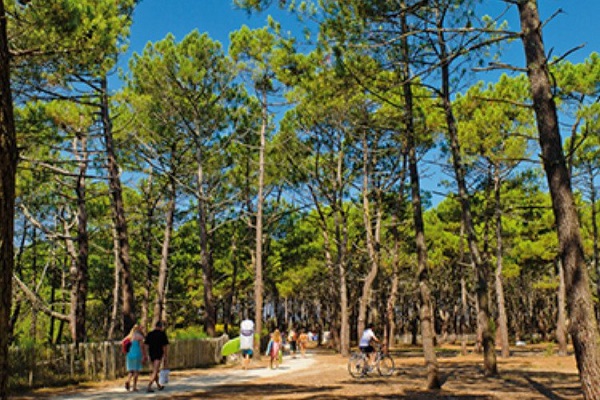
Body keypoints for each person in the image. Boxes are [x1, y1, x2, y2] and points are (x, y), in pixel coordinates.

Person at [145, 320, 169, 393]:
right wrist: (165, 355)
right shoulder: (162, 334)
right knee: (155, 371)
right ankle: (149, 386)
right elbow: (164, 346)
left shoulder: (150, 334)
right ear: (161, 327)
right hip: (158, 353)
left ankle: (158, 385)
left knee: (154, 370)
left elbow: (146, 345)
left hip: (151, 353)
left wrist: (146, 354)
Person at [124, 324, 147, 392]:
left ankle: (128, 380)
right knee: (136, 371)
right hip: (137, 354)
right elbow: (142, 347)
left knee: (131, 370)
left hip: (129, 355)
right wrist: (144, 355)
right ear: (138, 329)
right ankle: (134, 386)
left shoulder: (129, 336)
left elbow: (123, 342)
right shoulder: (139, 337)